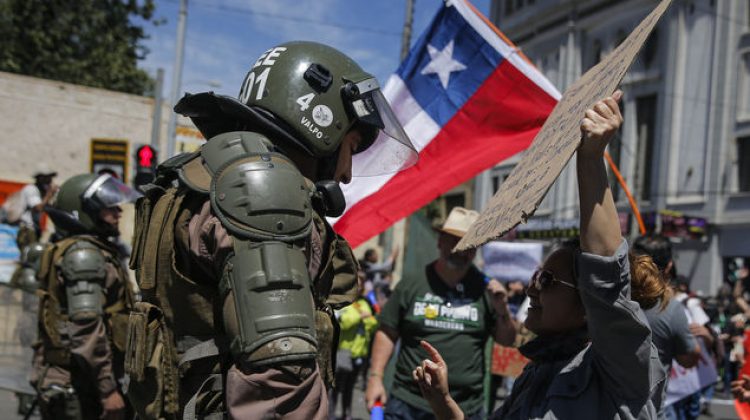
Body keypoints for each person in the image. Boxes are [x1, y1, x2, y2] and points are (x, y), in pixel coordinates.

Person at [124, 41, 418, 419]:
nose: (345, 173)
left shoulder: (203, 175)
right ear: (321, 121)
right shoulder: (264, 193)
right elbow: (279, 383)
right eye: (351, 146)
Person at [412, 91, 666, 420]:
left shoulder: (621, 365)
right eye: (535, 277)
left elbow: (605, 275)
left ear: (588, 302)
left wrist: (590, 157)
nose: (532, 289)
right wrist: (443, 401)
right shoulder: (537, 371)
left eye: (546, 280)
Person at [365, 206, 516, 420]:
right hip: (409, 404)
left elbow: (507, 340)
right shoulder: (412, 285)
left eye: (469, 244)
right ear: (440, 241)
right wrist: (375, 377)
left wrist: (502, 310)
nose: (462, 249)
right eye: (455, 241)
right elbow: (387, 332)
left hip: (465, 408)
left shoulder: (486, 290)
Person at [31, 173, 140, 420]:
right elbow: (86, 326)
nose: (118, 212)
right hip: (83, 384)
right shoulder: (84, 255)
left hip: (84, 379)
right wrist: (108, 389)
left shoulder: (89, 249)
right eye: (108, 207)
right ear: (83, 211)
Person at [631, 234, 701, 419]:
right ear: (669, 266)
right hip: (648, 412)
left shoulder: (613, 297)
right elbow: (689, 359)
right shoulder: (670, 308)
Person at [329, 270, 378, 420]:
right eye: (357, 283)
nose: (360, 286)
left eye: (361, 283)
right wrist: (360, 317)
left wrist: (365, 318)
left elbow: (373, 324)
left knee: (350, 388)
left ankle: (347, 414)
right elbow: (343, 324)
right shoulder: (342, 302)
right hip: (344, 352)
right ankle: (330, 415)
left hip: (360, 353)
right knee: (336, 388)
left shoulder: (364, 303)